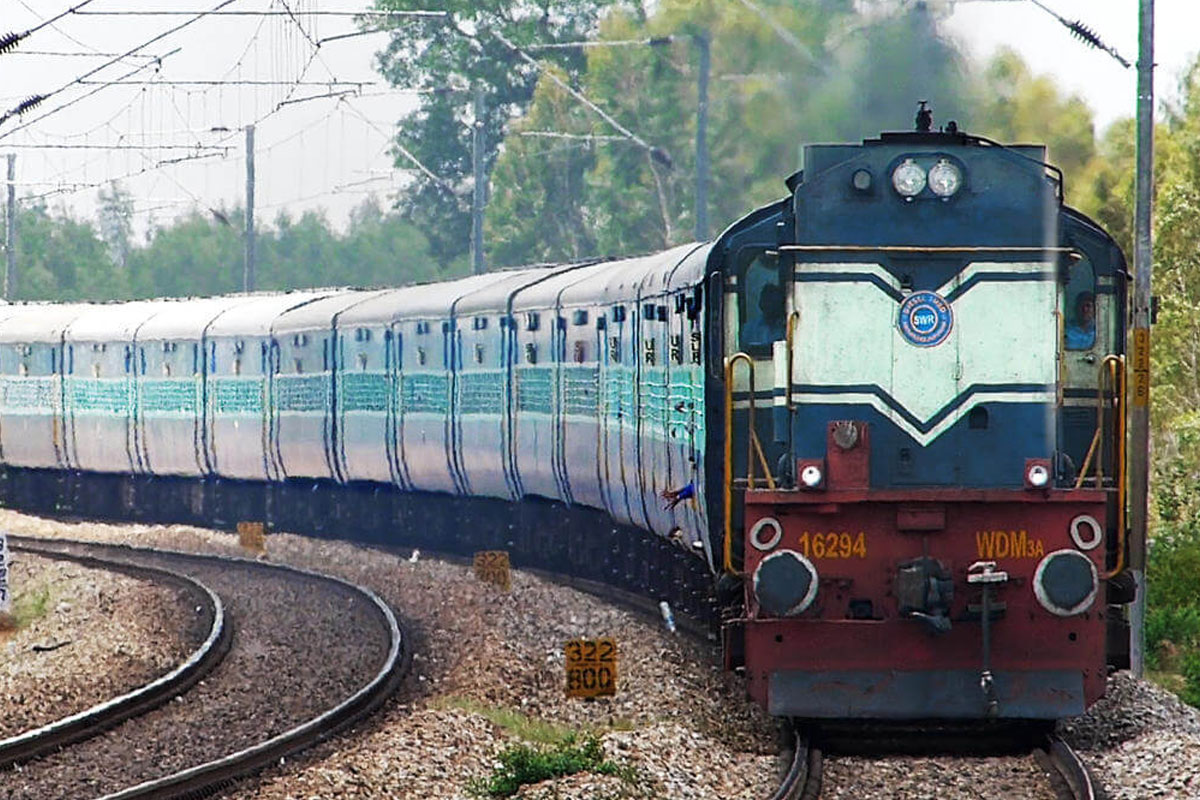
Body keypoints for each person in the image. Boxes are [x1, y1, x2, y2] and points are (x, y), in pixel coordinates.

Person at [742, 283, 785, 348]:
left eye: (773, 301)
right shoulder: (749, 329)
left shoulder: (786, 329)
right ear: (761, 303)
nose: (770, 305)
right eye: (767, 301)